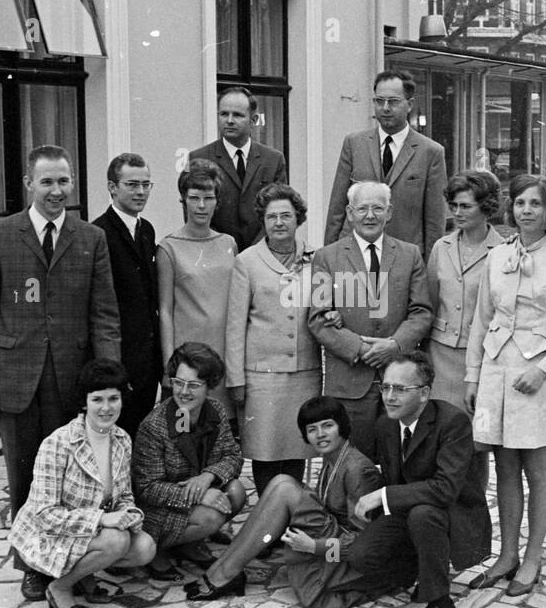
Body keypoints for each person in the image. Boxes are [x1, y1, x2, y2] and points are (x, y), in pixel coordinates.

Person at [0, 144, 122, 604]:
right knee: (25, 476)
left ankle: (75, 565)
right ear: (29, 185)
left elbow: (104, 313)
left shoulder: (90, 238)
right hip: (16, 377)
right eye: (48, 182)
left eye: (64, 181)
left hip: (71, 379)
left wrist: (106, 380)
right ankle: (32, 565)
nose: (57, 191)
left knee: (78, 480)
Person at [465, 173, 546, 597]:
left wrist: (544, 369)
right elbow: (481, 319)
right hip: (498, 371)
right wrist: (472, 374)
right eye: (520, 203)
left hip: (538, 377)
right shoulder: (497, 257)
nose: (527, 211)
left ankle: (533, 557)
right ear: (510, 209)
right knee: (504, 467)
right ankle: (507, 554)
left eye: (536, 204)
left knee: (537, 469)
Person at [184, 396, 385, 608]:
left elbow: (363, 544)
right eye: (312, 429)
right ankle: (224, 569)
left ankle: (225, 573)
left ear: (342, 427)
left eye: (328, 426)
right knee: (280, 482)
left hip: (346, 561)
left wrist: (314, 547)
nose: (321, 435)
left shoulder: (358, 470)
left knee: (286, 488)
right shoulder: (333, 457)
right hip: (332, 537)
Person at [345, 353, 492, 608]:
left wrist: (383, 495)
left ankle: (440, 603)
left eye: (400, 389)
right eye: (385, 387)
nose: (389, 397)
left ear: (424, 393)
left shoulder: (453, 423)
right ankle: (420, 568)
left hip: (452, 514)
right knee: (361, 556)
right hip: (409, 512)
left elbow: (445, 490)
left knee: (423, 514)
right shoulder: (386, 424)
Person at [8, 359, 157, 608]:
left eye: (114, 398)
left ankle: (85, 575)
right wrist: (101, 519)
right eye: (97, 399)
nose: (106, 408)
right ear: (84, 402)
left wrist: (129, 514)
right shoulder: (58, 443)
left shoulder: (122, 439)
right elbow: (44, 515)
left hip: (89, 533)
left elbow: (123, 496)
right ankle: (61, 586)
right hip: (49, 534)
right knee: (116, 542)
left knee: (145, 548)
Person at [308, 181, 432, 456]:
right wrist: (362, 349)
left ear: (389, 213)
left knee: (401, 460)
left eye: (378, 208)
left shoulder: (410, 255)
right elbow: (318, 318)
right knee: (352, 463)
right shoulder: (326, 257)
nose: (370, 215)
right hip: (350, 381)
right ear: (350, 213)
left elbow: (421, 311)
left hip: (399, 377)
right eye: (362, 208)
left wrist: (395, 346)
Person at [225, 184, 322, 499]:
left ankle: (291, 517)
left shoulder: (316, 260)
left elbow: (325, 312)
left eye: (286, 216)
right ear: (262, 221)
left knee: (296, 448)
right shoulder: (247, 262)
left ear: (298, 219)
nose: (279, 223)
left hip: (304, 373)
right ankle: (267, 526)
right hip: (262, 377)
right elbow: (236, 325)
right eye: (271, 217)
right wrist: (235, 378)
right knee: (265, 453)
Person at [132, 342, 247, 581]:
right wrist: (198, 495)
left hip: (192, 498)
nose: (184, 392)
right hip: (158, 511)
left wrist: (208, 477)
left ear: (209, 386)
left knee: (236, 491)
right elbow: (147, 489)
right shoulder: (153, 426)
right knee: (211, 516)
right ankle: (158, 550)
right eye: (178, 382)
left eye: (194, 385)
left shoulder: (215, 410)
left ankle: (187, 543)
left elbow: (233, 456)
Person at [323, 70, 447, 257]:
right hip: (354, 256)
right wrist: (329, 255)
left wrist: (427, 268)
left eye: (393, 101)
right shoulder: (354, 143)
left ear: (410, 104)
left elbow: (434, 221)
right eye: (379, 101)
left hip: (404, 259)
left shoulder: (430, 152)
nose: (385, 108)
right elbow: (337, 207)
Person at [157, 159, 237, 421]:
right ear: (184, 200)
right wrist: (169, 365)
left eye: (208, 198)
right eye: (194, 198)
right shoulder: (169, 247)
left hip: (223, 355)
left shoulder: (229, 244)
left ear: (217, 201)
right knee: (184, 429)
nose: (201, 206)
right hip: (187, 361)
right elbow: (165, 310)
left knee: (220, 432)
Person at [92, 152, 161, 438]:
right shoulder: (98, 233)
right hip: (119, 359)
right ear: (112, 187)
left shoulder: (146, 230)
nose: (141, 192)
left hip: (147, 361)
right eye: (133, 184)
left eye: (146, 185)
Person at [426, 169, 505, 411]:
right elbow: (429, 300)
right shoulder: (441, 247)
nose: (457, 213)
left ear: (486, 207)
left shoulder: (502, 251)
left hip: (480, 355)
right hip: (439, 354)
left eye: (466, 206)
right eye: (454, 205)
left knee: (474, 434)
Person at [189, 86, 289, 253]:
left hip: (262, 254)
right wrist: (223, 247)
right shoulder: (200, 158)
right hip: (215, 254)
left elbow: (278, 209)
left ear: (253, 119)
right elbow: (194, 212)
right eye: (223, 114)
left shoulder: (273, 160)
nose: (229, 120)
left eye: (237, 115)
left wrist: (256, 252)